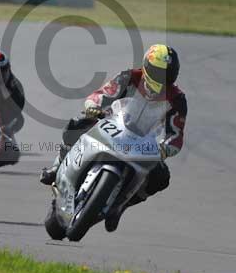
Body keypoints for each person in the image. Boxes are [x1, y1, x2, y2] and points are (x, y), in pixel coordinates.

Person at [39, 44, 187, 232]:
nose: (161, 78)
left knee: (161, 177)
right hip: (114, 125)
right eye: (158, 72)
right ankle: (57, 166)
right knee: (77, 124)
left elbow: (176, 132)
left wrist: (166, 147)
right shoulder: (130, 77)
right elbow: (105, 93)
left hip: (145, 143)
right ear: (147, 67)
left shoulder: (177, 99)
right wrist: (94, 105)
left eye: (167, 73)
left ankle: (120, 207)